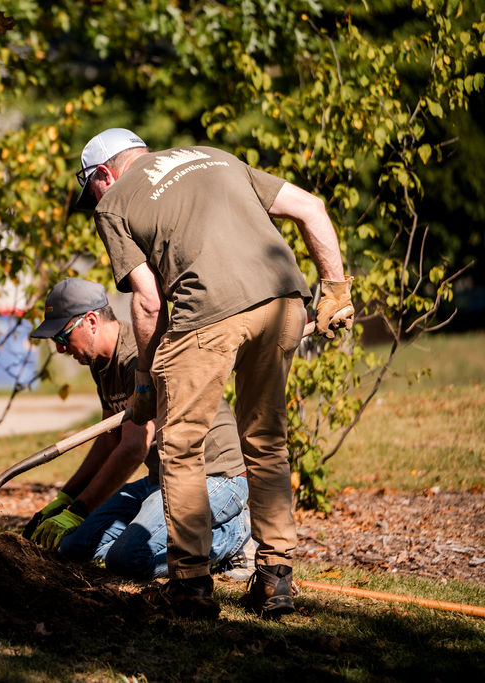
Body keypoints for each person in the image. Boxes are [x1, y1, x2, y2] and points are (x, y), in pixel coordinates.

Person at [75, 129, 354, 619]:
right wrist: (335, 289)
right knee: (265, 440)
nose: (94, 198)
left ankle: (190, 588)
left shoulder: (114, 202)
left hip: (206, 315)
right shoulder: (214, 156)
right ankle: (274, 580)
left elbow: (148, 300)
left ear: (103, 174)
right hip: (283, 301)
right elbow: (312, 208)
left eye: (91, 188)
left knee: (182, 445)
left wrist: (145, 378)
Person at [24, 278, 255, 582]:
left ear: (91, 321)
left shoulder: (138, 356)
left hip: (212, 476)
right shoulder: (101, 363)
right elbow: (109, 442)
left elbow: (134, 447)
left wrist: (80, 510)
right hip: (161, 479)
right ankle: (176, 538)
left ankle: (232, 535)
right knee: (73, 548)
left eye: (63, 336)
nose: (59, 347)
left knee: (128, 559)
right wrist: (65, 499)